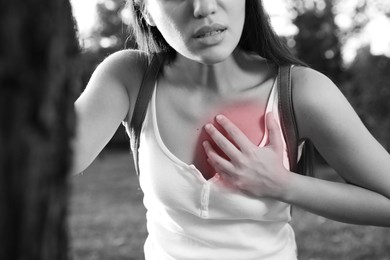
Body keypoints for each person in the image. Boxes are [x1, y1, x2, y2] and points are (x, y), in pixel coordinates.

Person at [72, 0, 390, 259]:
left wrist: (284, 185)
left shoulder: (300, 91)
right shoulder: (130, 77)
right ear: (146, 11)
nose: (203, 8)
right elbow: (51, 156)